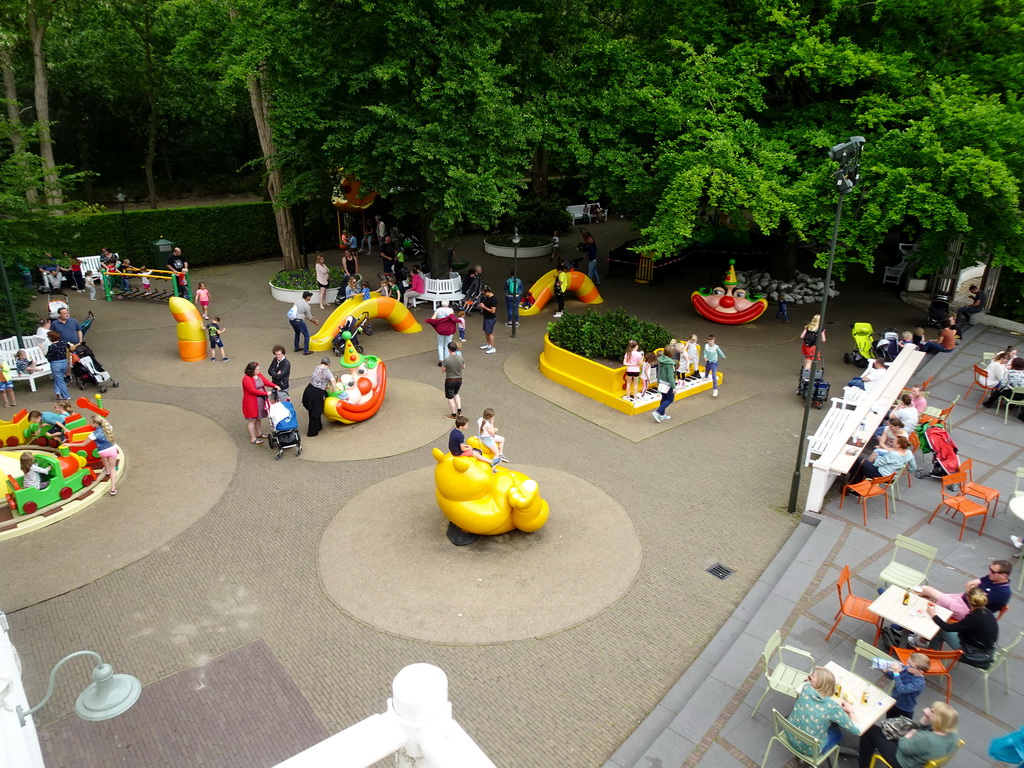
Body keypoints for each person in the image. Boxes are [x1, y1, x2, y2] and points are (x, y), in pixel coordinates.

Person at [786, 666, 860, 758]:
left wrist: (820, 671)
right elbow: (856, 731)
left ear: (819, 683)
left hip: (790, 735)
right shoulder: (832, 708)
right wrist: (851, 710)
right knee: (838, 733)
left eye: (812, 676)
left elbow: (807, 683)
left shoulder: (806, 688)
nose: (810, 677)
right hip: (810, 750)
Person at [858, 702, 959, 768]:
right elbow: (922, 728)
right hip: (921, 760)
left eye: (932, 711)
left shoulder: (927, 739)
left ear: (938, 720)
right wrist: (926, 719)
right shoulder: (953, 734)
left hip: (903, 762)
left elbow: (904, 747)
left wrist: (908, 735)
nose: (928, 710)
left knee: (869, 730)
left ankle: (863, 765)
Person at [916, 560, 1012, 620]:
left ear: (1003, 576)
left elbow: (975, 600)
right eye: (989, 568)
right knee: (928, 600)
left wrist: (972, 590)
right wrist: (973, 590)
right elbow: (969, 584)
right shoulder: (992, 578)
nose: (989, 572)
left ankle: (917, 636)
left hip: (968, 611)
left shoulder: (1002, 593)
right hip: (961, 598)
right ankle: (921, 638)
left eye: (993, 571)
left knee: (925, 589)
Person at [925, 587, 998, 653]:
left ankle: (929, 654)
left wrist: (933, 614)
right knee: (942, 631)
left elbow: (947, 628)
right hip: (987, 647)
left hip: (972, 650)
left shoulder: (973, 618)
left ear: (968, 599)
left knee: (940, 630)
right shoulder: (987, 612)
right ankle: (930, 648)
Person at [70, 415, 120, 495]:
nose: (90, 424)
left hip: (102, 451)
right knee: (113, 469)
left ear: (95, 424)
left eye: (91, 423)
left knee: (103, 458)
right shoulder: (109, 427)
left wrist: (70, 445)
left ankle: (107, 470)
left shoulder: (93, 434)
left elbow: (83, 444)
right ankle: (113, 488)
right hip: (112, 449)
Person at [848, 435, 916, 485]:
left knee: (860, 460)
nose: (892, 443)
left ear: (898, 445)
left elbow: (876, 464)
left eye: (894, 442)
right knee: (861, 466)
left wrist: (878, 457)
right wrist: (903, 473)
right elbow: (913, 467)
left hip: (879, 475)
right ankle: (853, 485)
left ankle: (852, 483)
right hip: (891, 478)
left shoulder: (892, 454)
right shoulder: (909, 453)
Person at [881, 652, 930, 719]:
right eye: (908, 662)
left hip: (904, 709)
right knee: (888, 719)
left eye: (910, 665)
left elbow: (902, 689)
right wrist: (886, 671)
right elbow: (893, 676)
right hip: (894, 701)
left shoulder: (919, 683)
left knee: (901, 727)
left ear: (920, 671)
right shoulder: (906, 669)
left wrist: (896, 673)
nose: (907, 665)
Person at [241, 361, 279, 445]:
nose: (259, 370)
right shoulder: (246, 379)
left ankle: (259, 433)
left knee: (258, 417)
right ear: (252, 370)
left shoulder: (258, 375)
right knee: (252, 420)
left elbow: (265, 381)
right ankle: (253, 438)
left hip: (259, 401)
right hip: (251, 402)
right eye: (257, 369)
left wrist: (274, 385)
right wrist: (266, 393)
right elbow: (252, 390)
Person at [302, 357, 336, 437]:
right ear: (328, 364)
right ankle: (312, 432)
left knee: (312, 411)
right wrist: (335, 391)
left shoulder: (317, 367)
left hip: (309, 389)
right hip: (317, 393)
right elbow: (333, 380)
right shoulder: (326, 370)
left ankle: (318, 426)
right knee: (316, 412)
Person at [44, 330, 73, 401]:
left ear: (50, 338)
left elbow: (48, 357)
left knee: (60, 380)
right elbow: (69, 346)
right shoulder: (63, 343)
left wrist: (42, 349)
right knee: (59, 378)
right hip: (64, 363)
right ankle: (57, 392)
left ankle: (66, 396)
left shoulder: (52, 346)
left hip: (56, 364)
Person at [287, 291, 318, 355]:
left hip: (292, 320)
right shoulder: (306, 305)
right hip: (299, 321)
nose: (310, 298)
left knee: (297, 333)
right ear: (308, 297)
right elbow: (310, 317)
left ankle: (296, 347)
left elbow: (299, 312)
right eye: (310, 296)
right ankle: (306, 350)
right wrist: (315, 322)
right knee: (307, 335)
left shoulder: (298, 301)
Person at [652, 345, 677, 423]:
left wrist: (658, 381)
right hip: (668, 384)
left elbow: (659, 372)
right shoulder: (670, 364)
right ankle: (657, 412)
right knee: (670, 399)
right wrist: (674, 387)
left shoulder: (661, 360)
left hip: (661, 382)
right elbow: (670, 376)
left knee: (664, 398)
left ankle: (662, 414)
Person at [441, 341, 465, 420]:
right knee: (456, 394)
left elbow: (443, 370)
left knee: (450, 398)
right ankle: (459, 411)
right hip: (459, 379)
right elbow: (463, 367)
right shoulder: (460, 358)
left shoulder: (446, 360)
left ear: (448, 349)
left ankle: (453, 414)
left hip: (450, 380)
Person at [480, 284, 497, 354]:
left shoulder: (493, 300)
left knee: (490, 333)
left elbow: (493, 311)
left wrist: (484, 307)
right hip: (486, 317)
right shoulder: (488, 298)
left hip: (490, 318)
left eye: (484, 293)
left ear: (487, 292)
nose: (484, 295)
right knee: (486, 332)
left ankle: (493, 347)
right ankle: (488, 344)